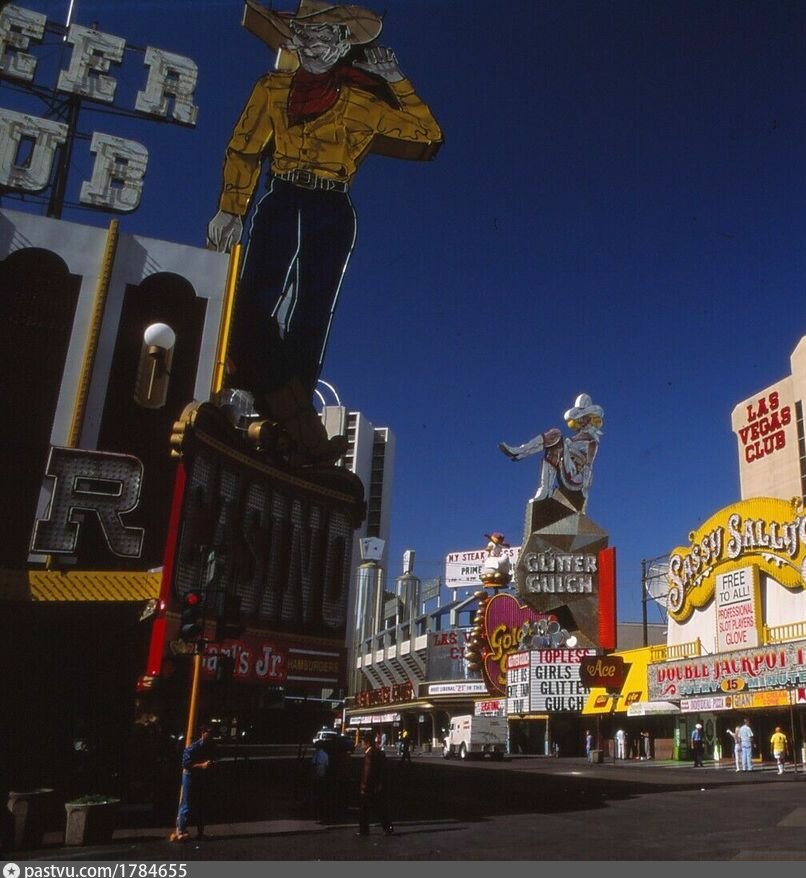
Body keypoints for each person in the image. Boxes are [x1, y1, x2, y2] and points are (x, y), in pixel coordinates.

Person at [208, 0, 443, 466]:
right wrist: (230, 209)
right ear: (296, 40)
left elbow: (427, 135)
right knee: (253, 300)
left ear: (342, 45)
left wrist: (396, 79)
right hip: (281, 199)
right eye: (308, 35)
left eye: (327, 36)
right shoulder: (272, 89)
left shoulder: (361, 100)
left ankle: (293, 421)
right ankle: (271, 401)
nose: (316, 44)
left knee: (312, 313)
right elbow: (243, 148)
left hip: (331, 207)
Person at [500, 394, 604, 512]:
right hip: (564, 467)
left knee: (556, 434)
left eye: (583, 416)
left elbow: (588, 467)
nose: (580, 420)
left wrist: (584, 497)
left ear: (590, 418)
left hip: (575, 476)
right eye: (579, 417)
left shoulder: (591, 442)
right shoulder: (571, 440)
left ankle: (522, 451)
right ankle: (545, 489)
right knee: (553, 446)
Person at [171, 725, 216, 841]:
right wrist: (202, 765)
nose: (210, 735)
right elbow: (186, 764)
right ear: (203, 733)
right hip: (190, 776)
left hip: (201, 776)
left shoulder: (211, 746)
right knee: (187, 803)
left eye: (211, 733)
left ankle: (200, 831)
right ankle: (181, 830)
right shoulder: (193, 747)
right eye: (208, 732)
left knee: (201, 803)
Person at [356, 734, 393, 836]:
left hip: (369, 786)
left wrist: (363, 786)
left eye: (362, 742)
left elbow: (367, 771)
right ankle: (387, 826)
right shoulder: (378, 752)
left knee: (364, 809)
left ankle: (364, 830)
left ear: (367, 743)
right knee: (379, 807)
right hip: (378, 785)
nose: (361, 744)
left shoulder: (369, 754)